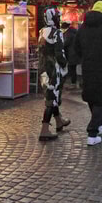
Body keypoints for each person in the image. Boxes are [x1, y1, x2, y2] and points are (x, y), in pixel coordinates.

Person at [75, 1, 102, 146]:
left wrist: (84, 58)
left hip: (87, 67)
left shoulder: (83, 27)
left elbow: (76, 47)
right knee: (101, 99)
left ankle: (98, 123)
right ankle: (92, 133)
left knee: (91, 96)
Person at [38, 8, 70, 141]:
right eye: (58, 17)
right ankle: (44, 130)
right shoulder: (57, 33)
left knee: (51, 96)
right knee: (51, 99)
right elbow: (59, 53)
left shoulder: (41, 31)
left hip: (43, 69)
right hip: (53, 70)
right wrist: (65, 65)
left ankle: (59, 121)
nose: (59, 19)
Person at [62, 22, 80, 87]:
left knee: (71, 68)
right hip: (74, 53)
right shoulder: (74, 32)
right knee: (73, 68)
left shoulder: (68, 33)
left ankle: (73, 82)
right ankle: (73, 82)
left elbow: (65, 43)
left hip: (71, 53)